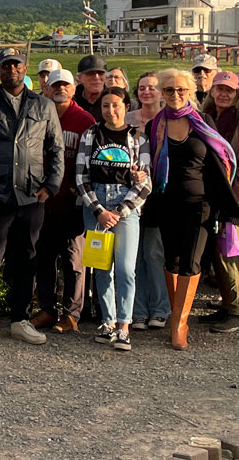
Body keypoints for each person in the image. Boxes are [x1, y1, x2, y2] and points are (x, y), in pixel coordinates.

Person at [0, 48, 64, 347]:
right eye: (5, 65)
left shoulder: (43, 106)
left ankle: (20, 319)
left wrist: (50, 187)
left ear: (25, 67)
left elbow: (56, 150)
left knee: (27, 258)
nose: (11, 70)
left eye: (16, 65)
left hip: (32, 196)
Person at [148, 69, 239, 350]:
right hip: (166, 202)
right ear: (161, 93)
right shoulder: (155, 125)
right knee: (172, 261)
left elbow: (222, 159)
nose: (175, 95)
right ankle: (178, 317)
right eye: (169, 90)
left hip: (200, 205)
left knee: (192, 261)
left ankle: (179, 325)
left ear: (190, 92)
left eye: (181, 90)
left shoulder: (203, 121)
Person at [76, 86, 151, 350]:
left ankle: (124, 325)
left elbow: (145, 183)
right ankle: (107, 322)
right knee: (101, 267)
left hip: (126, 206)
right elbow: (80, 177)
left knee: (125, 268)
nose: (111, 110)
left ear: (126, 106)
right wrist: (99, 210)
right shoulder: (91, 134)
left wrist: (120, 211)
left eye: (116, 105)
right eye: (106, 105)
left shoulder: (138, 139)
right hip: (95, 203)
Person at [196, 71, 239, 334]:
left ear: (237, 94)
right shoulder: (203, 120)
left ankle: (236, 310)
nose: (224, 94)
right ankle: (226, 304)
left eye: (229, 90)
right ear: (212, 91)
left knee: (228, 254)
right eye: (219, 89)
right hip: (208, 197)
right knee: (215, 254)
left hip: (233, 201)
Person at [34, 69, 96, 334]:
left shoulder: (84, 119)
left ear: (73, 89)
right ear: (45, 89)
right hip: (42, 201)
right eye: (55, 85)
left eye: (65, 85)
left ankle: (72, 314)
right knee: (44, 258)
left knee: (73, 261)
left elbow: (94, 158)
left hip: (72, 203)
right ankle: (47, 310)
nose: (60, 89)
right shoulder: (36, 115)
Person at [126, 71, 168, 330]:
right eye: (142, 88)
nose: (147, 92)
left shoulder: (168, 119)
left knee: (154, 253)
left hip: (158, 196)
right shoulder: (127, 119)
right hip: (128, 196)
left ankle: (160, 308)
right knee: (134, 255)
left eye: (152, 87)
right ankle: (137, 310)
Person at [74, 55, 108, 121]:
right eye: (91, 74)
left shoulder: (114, 100)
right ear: (80, 78)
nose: (96, 77)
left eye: (100, 73)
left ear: (106, 77)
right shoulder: (72, 101)